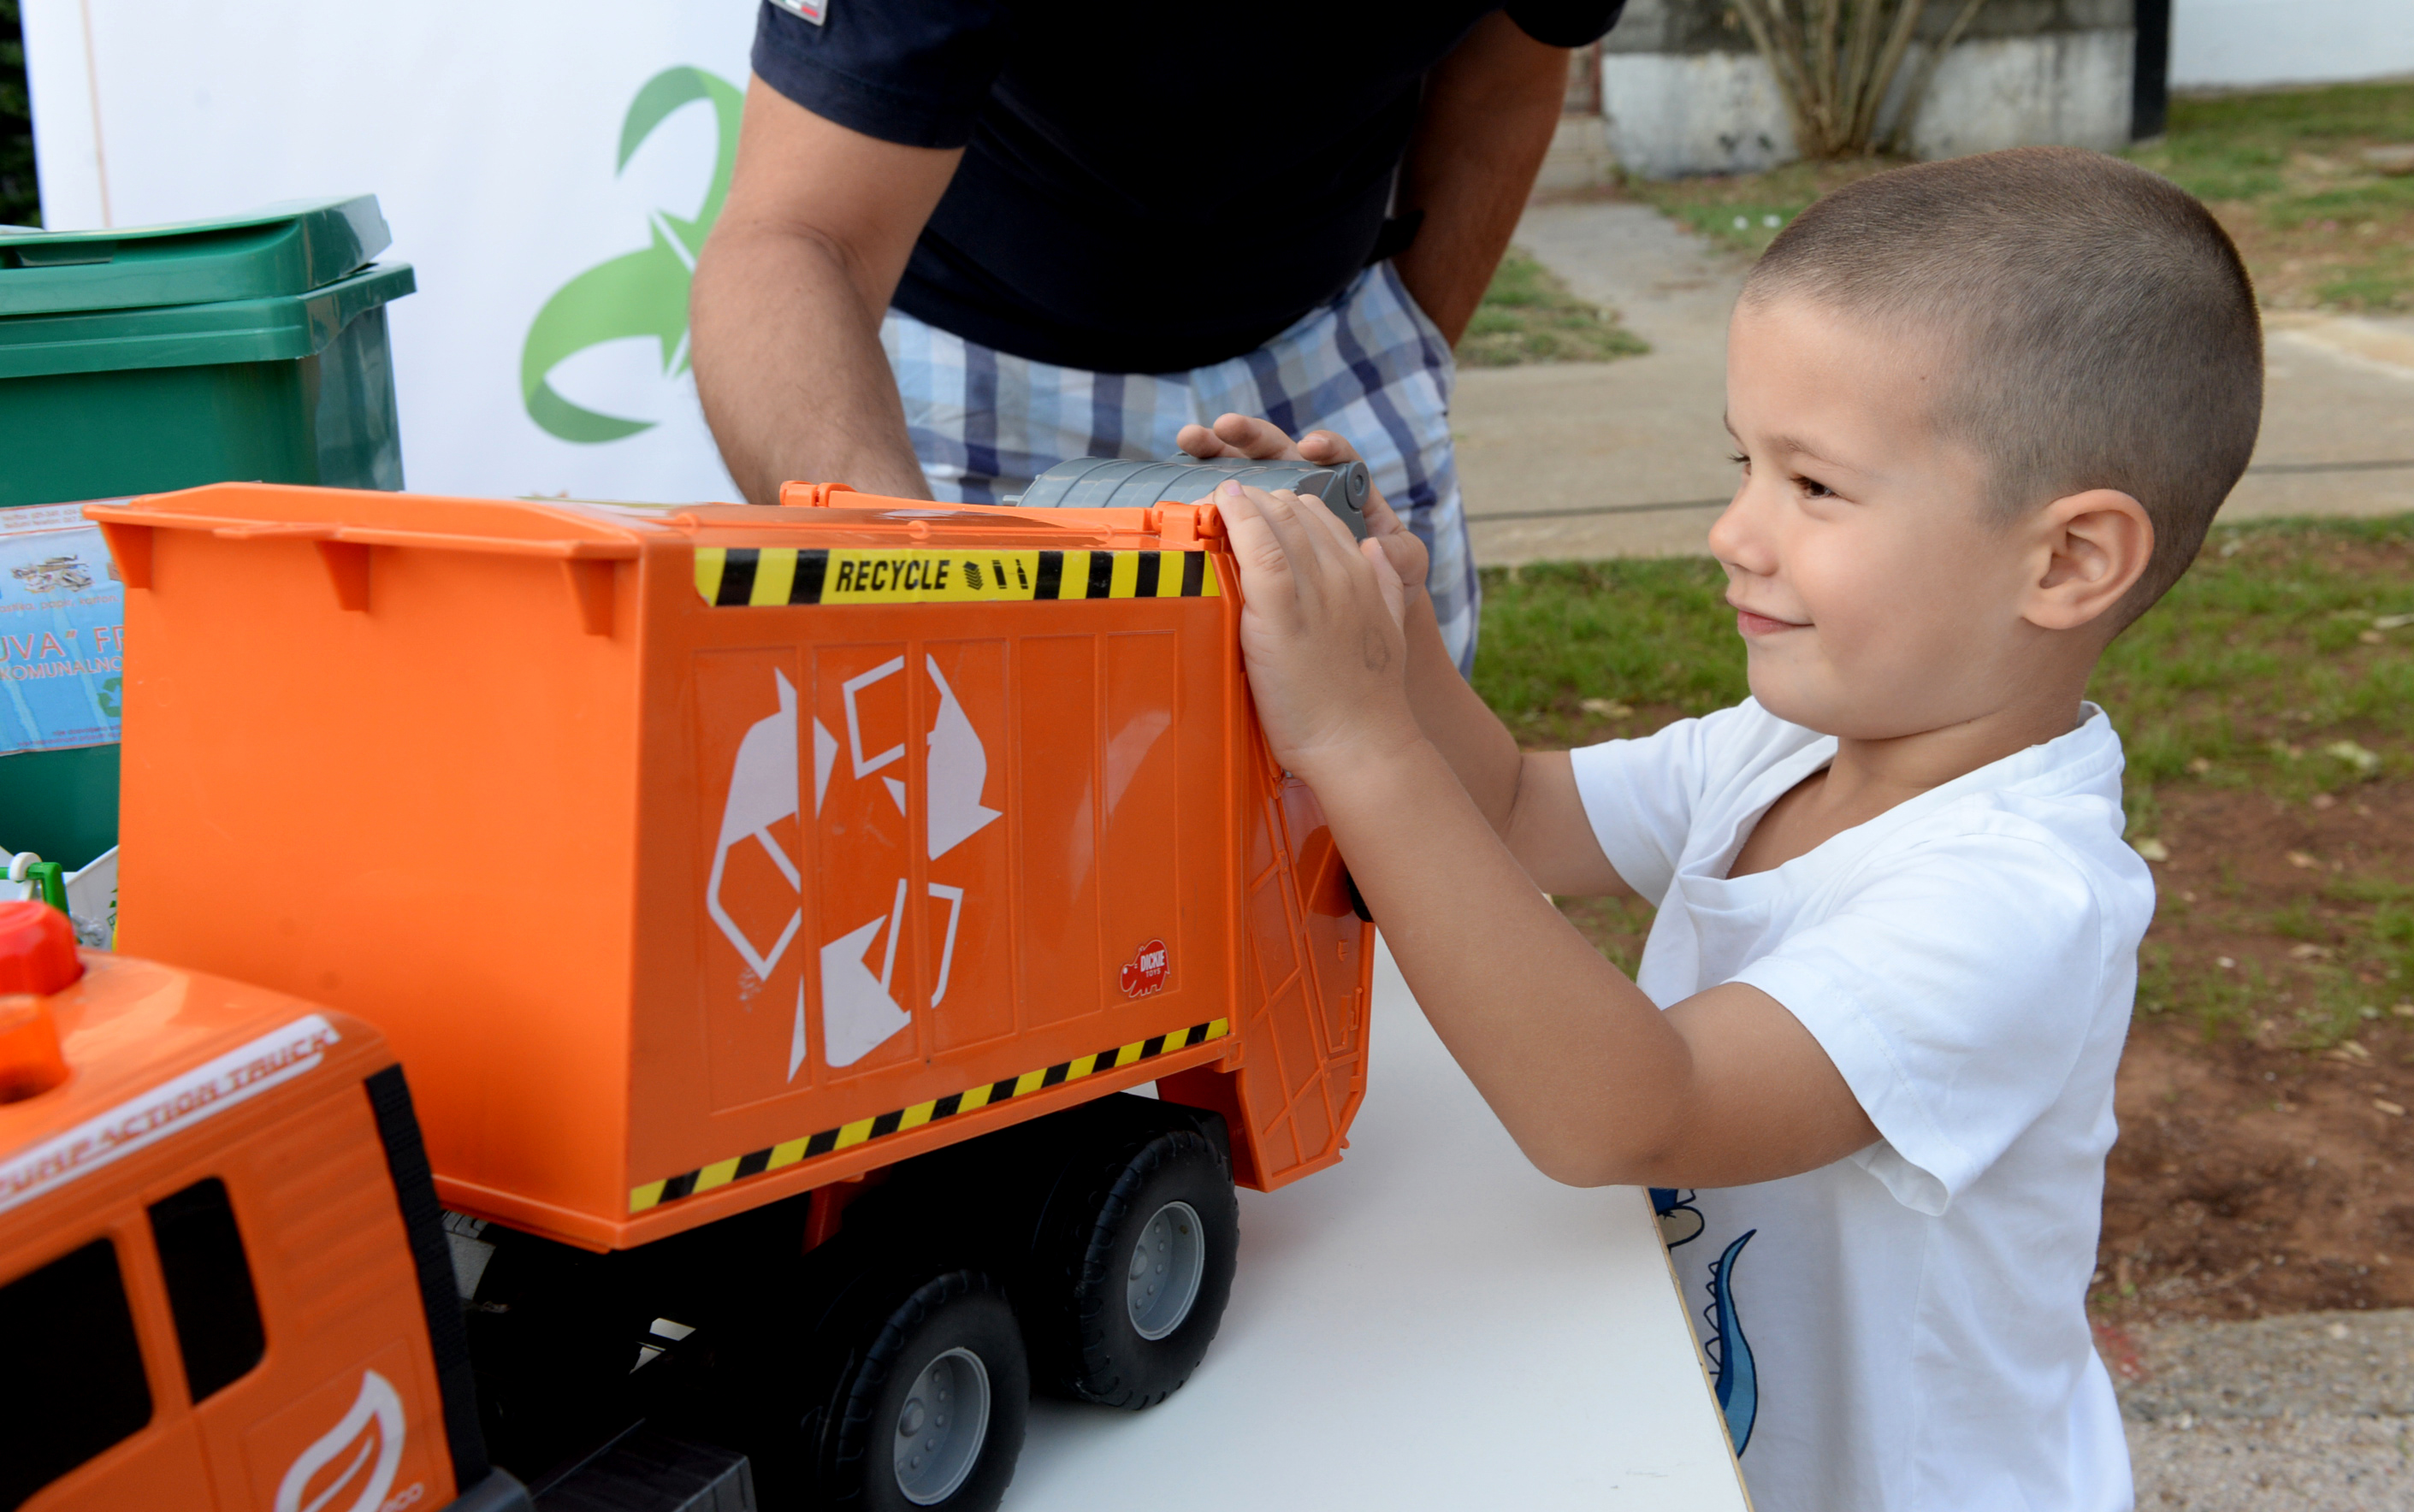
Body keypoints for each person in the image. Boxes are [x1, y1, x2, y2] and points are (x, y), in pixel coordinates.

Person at [1194, 147, 2262, 1509]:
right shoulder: (1789, 747)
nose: (1731, 532)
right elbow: (1517, 811)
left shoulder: (2017, 899)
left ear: (2065, 561)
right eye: (1740, 464)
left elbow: (1633, 1113)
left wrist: (1357, 739)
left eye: (1811, 487)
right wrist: (1387, 624)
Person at [689, 1, 1630, 673]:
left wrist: (1412, 340)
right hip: (965, 366)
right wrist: (908, 564)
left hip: (1328, 338)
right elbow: (794, 236)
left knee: (1373, 874)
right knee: (987, 871)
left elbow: (1514, 60)